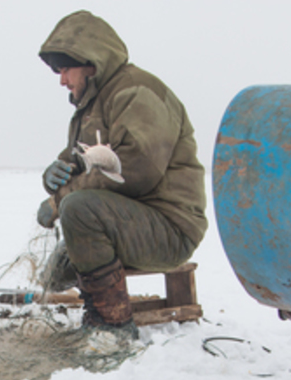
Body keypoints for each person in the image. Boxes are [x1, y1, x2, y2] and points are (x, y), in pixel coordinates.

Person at [36, 10, 208, 334]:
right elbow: (81, 160)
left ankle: (112, 326)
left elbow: (132, 169)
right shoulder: (92, 106)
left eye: (65, 69)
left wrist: (61, 201)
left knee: (78, 210)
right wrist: (54, 175)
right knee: (55, 272)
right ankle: (98, 305)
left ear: (91, 62)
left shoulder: (136, 92)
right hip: (133, 220)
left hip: (169, 226)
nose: (62, 80)